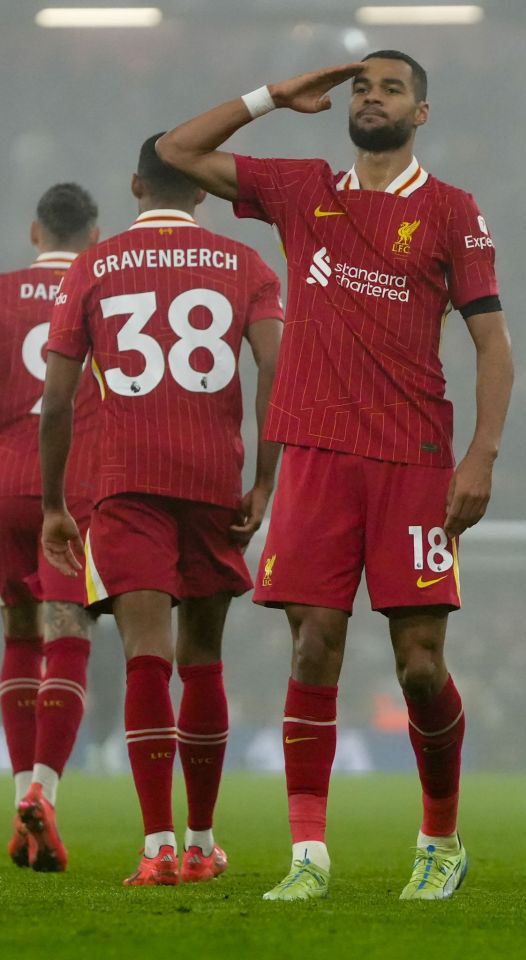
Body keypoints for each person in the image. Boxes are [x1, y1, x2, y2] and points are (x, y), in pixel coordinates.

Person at [157, 49, 514, 902]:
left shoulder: (452, 210)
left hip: (414, 460)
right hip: (316, 455)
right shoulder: (303, 187)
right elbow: (175, 150)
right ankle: (308, 855)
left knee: (420, 665)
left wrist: (481, 457)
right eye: (361, 85)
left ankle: (440, 838)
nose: (371, 97)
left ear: (420, 113)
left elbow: (492, 345)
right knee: (313, 645)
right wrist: (271, 96)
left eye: (391, 88)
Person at [39, 135, 284, 886]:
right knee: (201, 656)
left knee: (144, 653)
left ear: (136, 187)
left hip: (127, 480)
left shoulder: (91, 267)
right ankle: (205, 843)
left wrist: (55, 502)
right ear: (203, 193)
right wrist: (265, 481)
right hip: (214, 478)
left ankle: (156, 851)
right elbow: (276, 363)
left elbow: (55, 399)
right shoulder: (246, 265)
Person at [0, 183, 99, 872]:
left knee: (18, 629)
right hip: (72, 481)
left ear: (37, 233)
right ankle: (44, 789)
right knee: (70, 634)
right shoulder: (102, 288)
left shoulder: (1, 293)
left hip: (3, 479)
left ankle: (18, 808)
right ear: (92, 236)